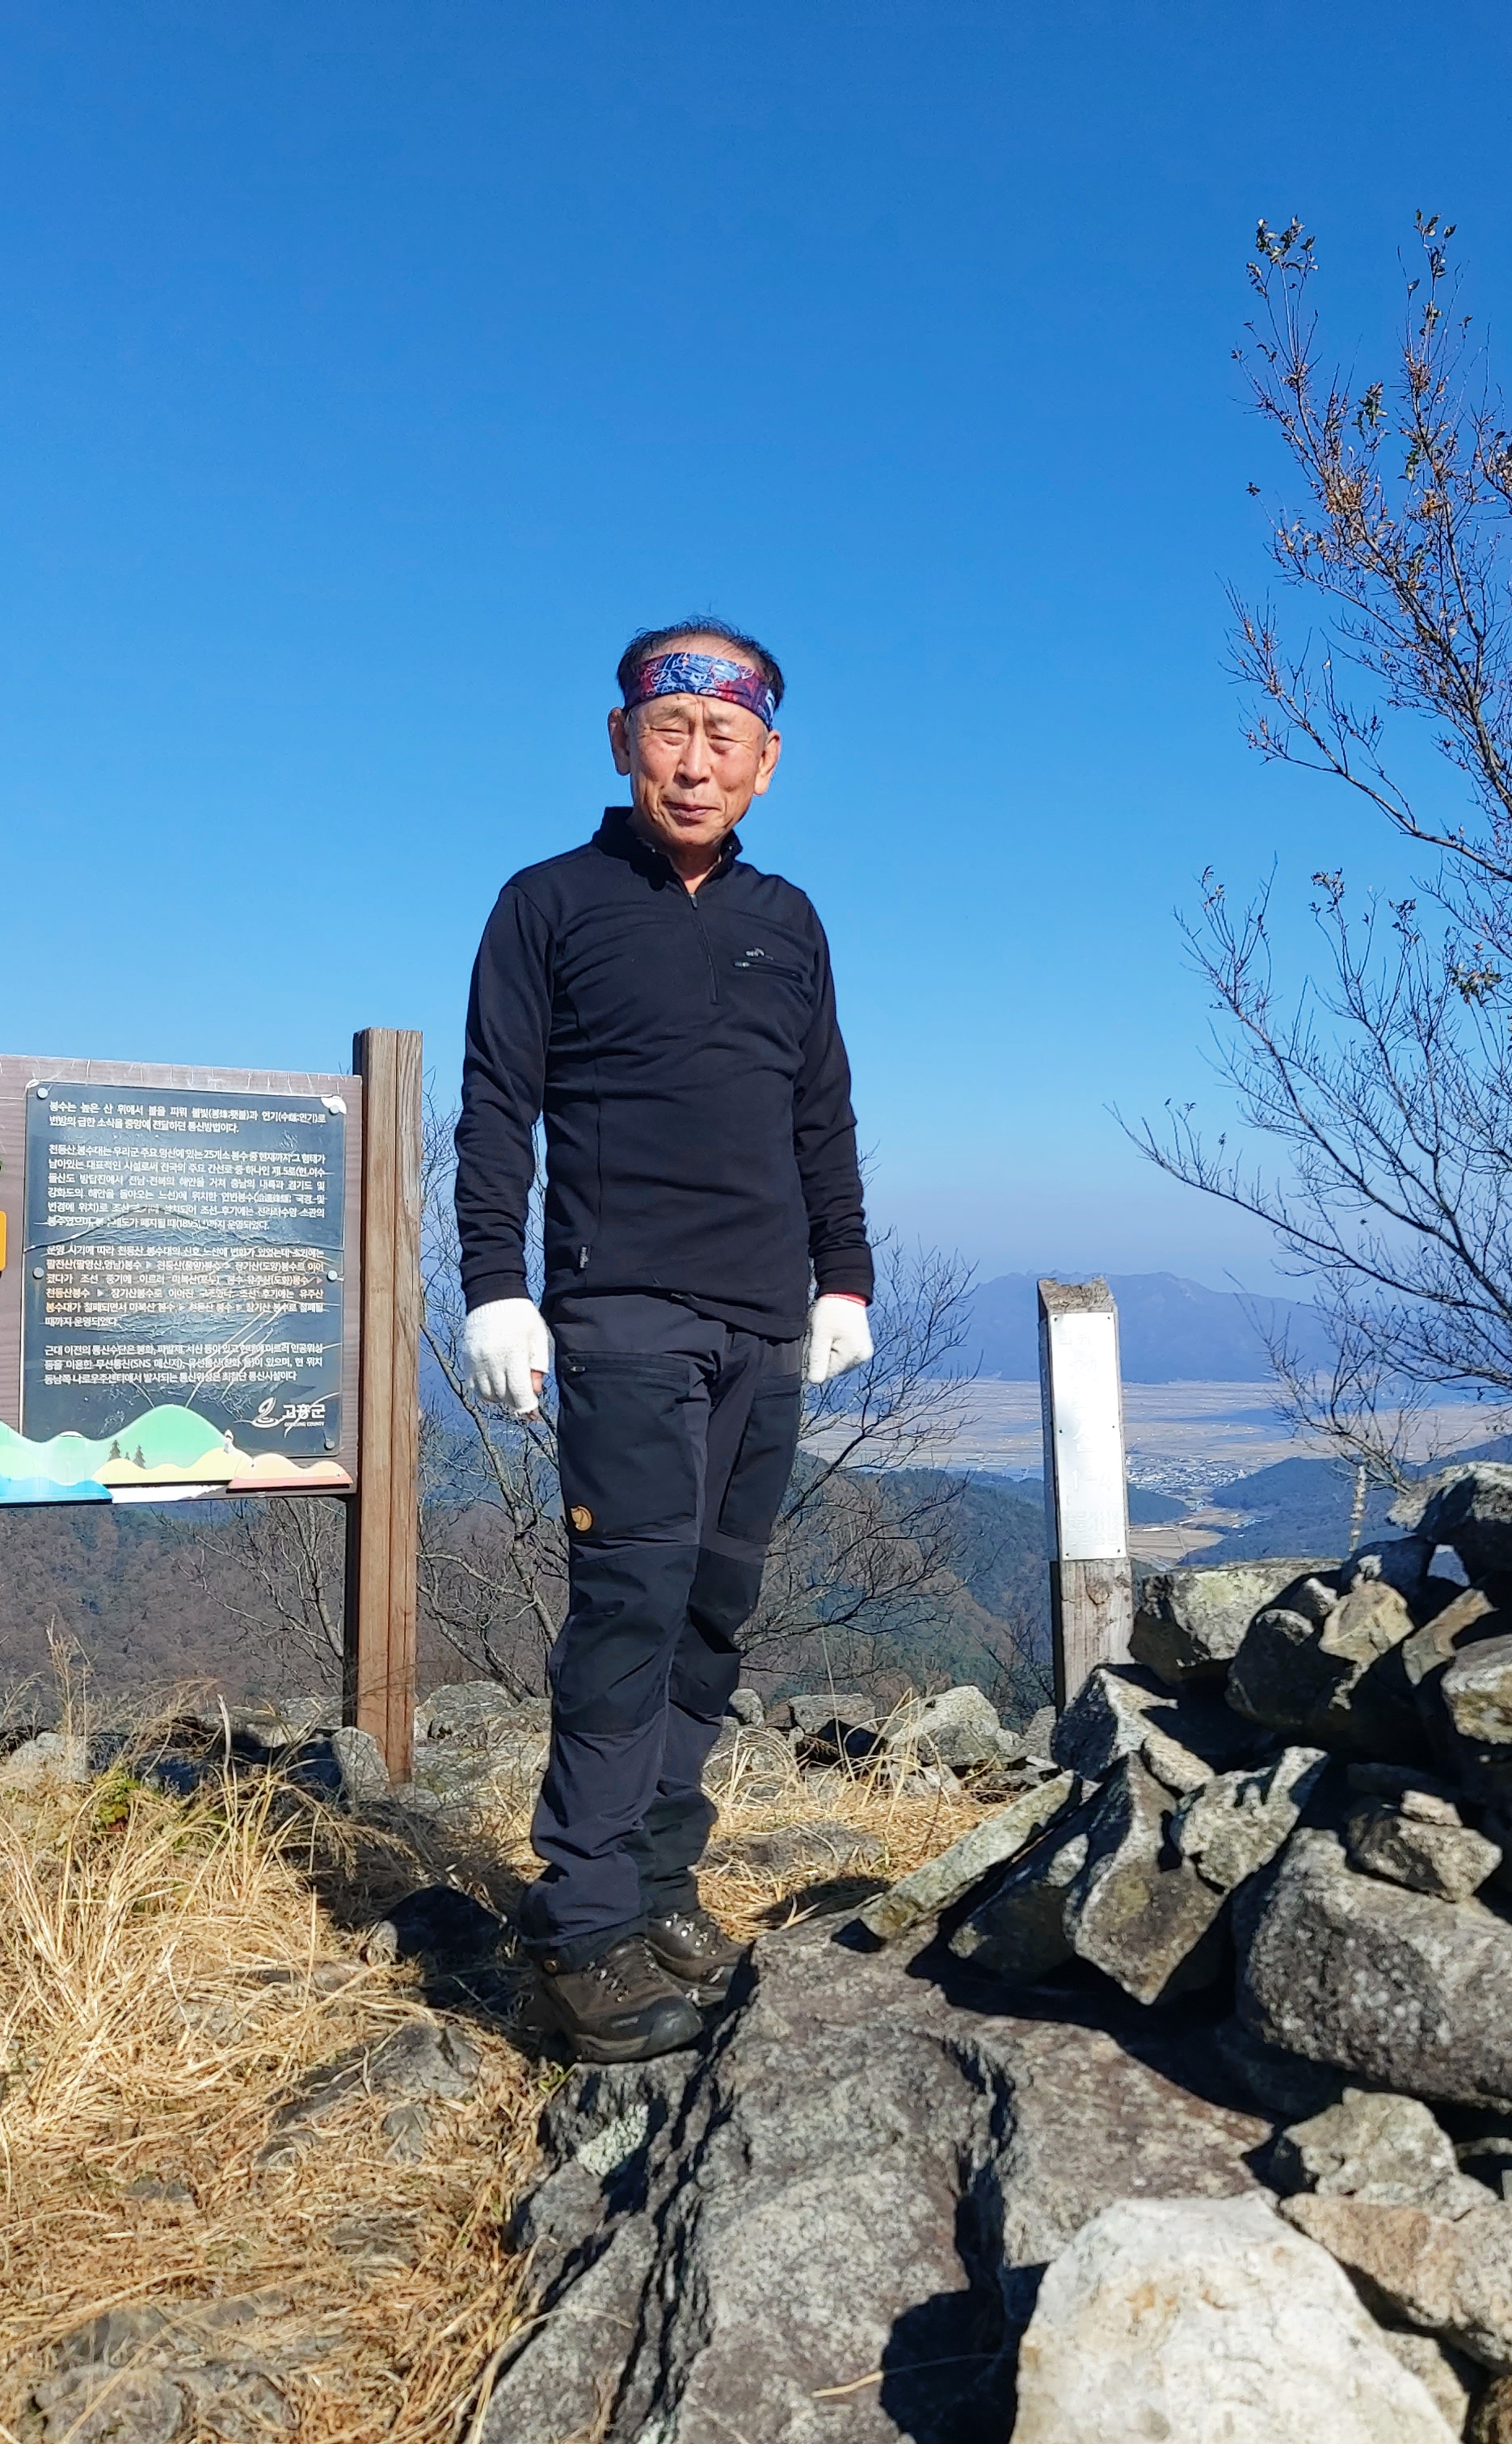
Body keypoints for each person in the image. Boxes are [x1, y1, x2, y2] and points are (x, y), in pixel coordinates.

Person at [453, 618, 875, 2061]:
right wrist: (493, 1285)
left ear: (767, 761)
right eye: (671, 729)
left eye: (724, 738)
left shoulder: (789, 920)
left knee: (710, 1611)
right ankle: (577, 1930)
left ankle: (655, 1882)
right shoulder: (548, 903)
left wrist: (844, 1277)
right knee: (630, 1606)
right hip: (621, 1309)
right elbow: (497, 1104)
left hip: (767, 1318)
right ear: (623, 737)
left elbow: (822, 1109)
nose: (695, 762)